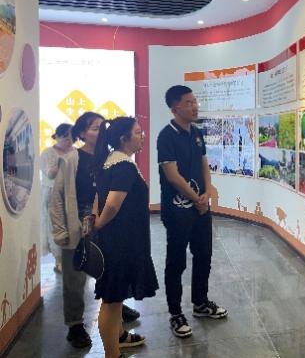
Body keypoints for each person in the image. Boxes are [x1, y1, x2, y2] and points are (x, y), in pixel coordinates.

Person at [50, 112, 140, 349]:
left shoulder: (109, 157)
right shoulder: (72, 158)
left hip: (106, 223)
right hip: (78, 224)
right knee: (74, 278)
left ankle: (116, 309)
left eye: (102, 127)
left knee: (110, 271)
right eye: (94, 128)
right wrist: (60, 232)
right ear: (81, 133)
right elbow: (57, 197)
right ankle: (75, 325)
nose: (100, 132)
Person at [157, 85, 228, 338]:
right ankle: (176, 313)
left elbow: (204, 164)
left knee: (204, 255)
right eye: (188, 103)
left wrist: (207, 192)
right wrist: (196, 198)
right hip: (177, 211)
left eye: (195, 101)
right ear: (175, 108)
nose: (195, 106)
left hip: (200, 208)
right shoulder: (166, 136)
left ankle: (200, 303)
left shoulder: (196, 133)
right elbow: (172, 176)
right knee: (176, 262)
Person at [91, 117, 158, 358]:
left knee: (116, 296)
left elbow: (98, 198)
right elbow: (111, 205)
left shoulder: (110, 162)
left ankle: (120, 337)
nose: (142, 136)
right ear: (123, 138)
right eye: (138, 132)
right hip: (121, 243)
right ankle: (112, 354)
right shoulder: (124, 167)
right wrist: (99, 223)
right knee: (112, 300)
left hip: (118, 240)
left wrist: (96, 222)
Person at [40, 123, 73, 273]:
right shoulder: (48, 153)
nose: (69, 140)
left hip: (71, 195)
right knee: (55, 227)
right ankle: (59, 260)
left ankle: (73, 258)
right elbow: (50, 174)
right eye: (65, 136)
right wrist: (62, 160)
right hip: (53, 195)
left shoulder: (75, 152)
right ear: (57, 136)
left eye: (72, 137)